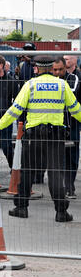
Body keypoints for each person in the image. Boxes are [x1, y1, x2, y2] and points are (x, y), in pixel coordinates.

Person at [0, 55, 81, 223]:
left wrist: (1, 124)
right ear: (51, 67)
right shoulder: (62, 85)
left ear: (37, 68)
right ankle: (61, 212)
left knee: (27, 173)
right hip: (55, 137)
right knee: (55, 175)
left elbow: (15, 109)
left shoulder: (30, 85)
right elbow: (76, 109)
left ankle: (21, 208)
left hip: (33, 137)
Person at [52, 56, 81, 199]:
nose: (57, 72)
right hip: (58, 124)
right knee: (60, 157)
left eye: (60, 69)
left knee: (73, 157)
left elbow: (71, 92)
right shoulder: (51, 80)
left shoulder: (73, 79)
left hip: (73, 123)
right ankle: (64, 186)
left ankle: (70, 185)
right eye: (54, 70)